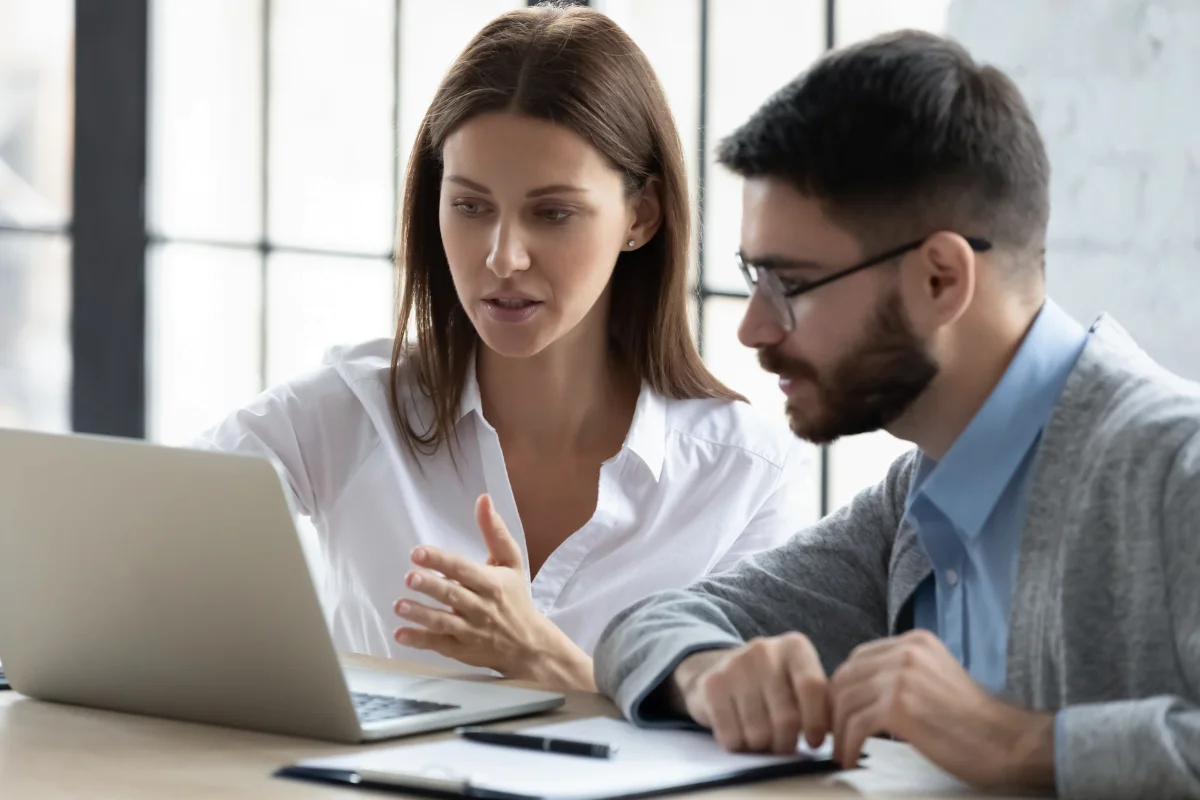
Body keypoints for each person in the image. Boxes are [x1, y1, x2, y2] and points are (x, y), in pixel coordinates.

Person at [593, 30, 1200, 799]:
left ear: (942, 278)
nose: (753, 327)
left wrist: (1020, 744)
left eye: (791, 283)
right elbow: (643, 626)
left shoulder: (1178, 466)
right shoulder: (917, 503)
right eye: (754, 278)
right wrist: (709, 673)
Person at [197, 5, 809, 692]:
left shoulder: (742, 477)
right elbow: (140, 540)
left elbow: (749, 739)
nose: (503, 257)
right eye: (470, 206)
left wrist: (547, 660)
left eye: (552, 213)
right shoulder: (347, 414)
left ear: (640, 215)